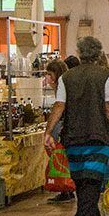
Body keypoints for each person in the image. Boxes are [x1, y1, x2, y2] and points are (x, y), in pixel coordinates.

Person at [43, 36, 109, 216]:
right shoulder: (106, 76)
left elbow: (59, 106)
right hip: (97, 137)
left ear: (80, 54)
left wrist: (48, 131)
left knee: (82, 181)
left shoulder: (67, 78)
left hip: (72, 138)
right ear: (99, 54)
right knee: (91, 181)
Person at [43, 59, 75, 202]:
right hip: (64, 122)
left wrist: (50, 130)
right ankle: (66, 187)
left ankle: (64, 188)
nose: (49, 78)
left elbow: (61, 104)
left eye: (50, 74)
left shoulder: (63, 82)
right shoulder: (68, 80)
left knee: (59, 156)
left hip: (61, 122)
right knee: (62, 157)